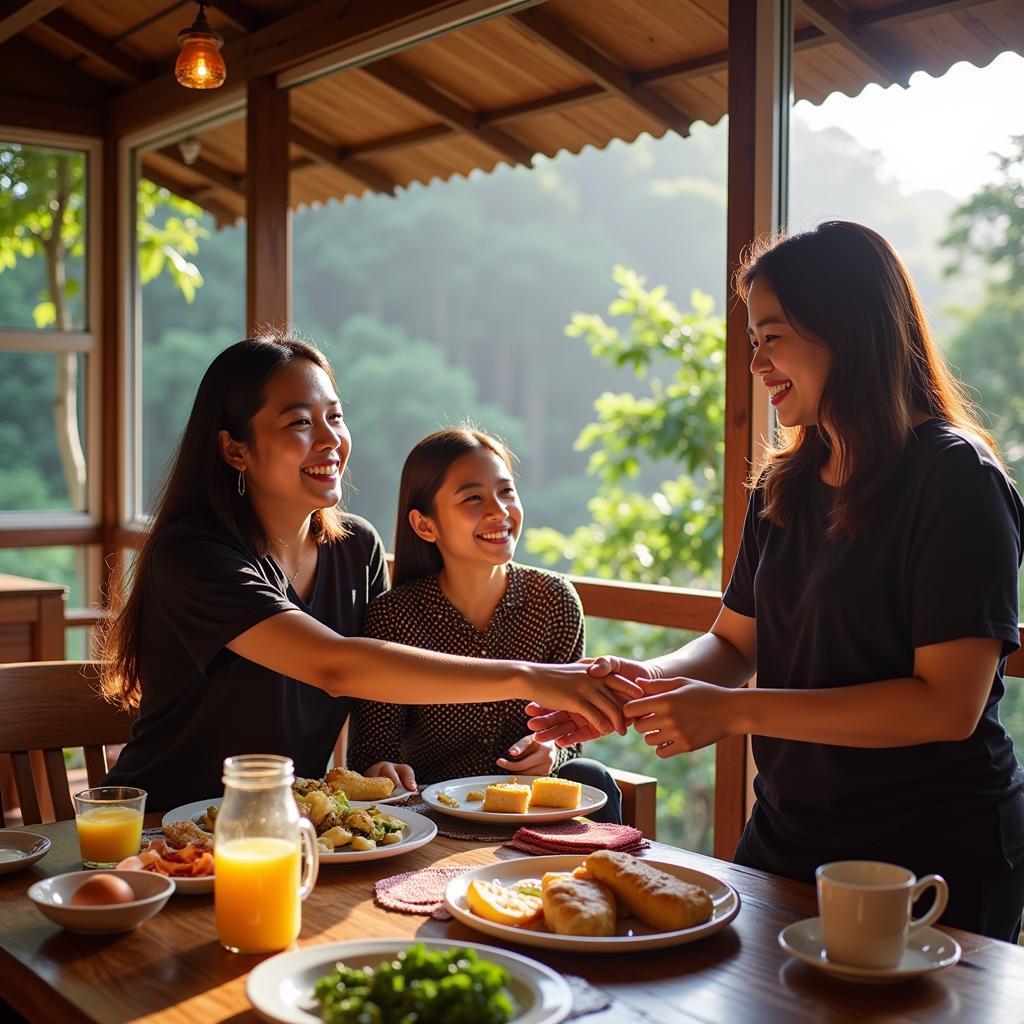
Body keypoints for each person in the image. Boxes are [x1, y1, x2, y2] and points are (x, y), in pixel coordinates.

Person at [530, 221, 1024, 941]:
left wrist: (736, 713)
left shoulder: (955, 479)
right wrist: (640, 684)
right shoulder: (784, 484)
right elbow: (732, 645)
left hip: (931, 856)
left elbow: (945, 705)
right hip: (789, 840)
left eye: (773, 335)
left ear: (847, 329)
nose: (756, 361)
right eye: (753, 340)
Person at [99, 335, 637, 812]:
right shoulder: (194, 554)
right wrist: (528, 675)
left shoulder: (356, 548)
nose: (330, 440)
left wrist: (378, 768)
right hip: (165, 826)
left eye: (334, 416)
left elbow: (383, 683)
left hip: (294, 829)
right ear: (235, 448)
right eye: (299, 423)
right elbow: (339, 667)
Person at [345, 428, 623, 823]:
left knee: (589, 774)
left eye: (506, 492)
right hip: (431, 814)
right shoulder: (394, 615)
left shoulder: (556, 601)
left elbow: (569, 731)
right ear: (425, 525)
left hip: (529, 809)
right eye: (473, 497)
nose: (499, 510)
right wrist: (382, 771)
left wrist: (551, 752)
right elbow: (372, 750)